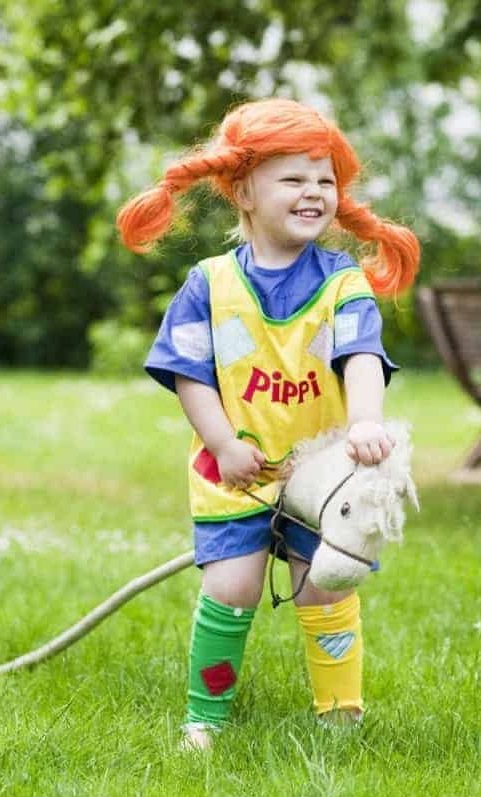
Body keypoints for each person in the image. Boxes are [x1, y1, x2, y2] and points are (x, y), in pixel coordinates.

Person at [117, 98, 420, 750]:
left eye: (325, 180)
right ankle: (205, 720)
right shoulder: (209, 284)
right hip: (236, 474)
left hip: (323, 475)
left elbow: (361, 356)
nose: (314, 192)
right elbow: (190, 373)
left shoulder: (344, 282)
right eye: (294, 178)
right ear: (243, 190)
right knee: (232, 587)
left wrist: (367, 423)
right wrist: (223, 444)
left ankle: (339, 718)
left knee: (325, 589)